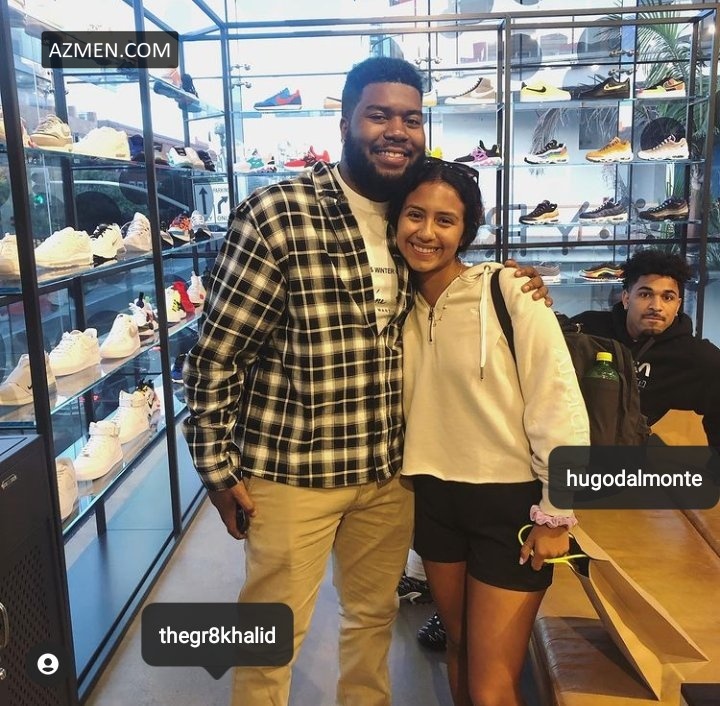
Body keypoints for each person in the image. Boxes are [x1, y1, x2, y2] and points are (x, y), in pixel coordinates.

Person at [183, 56, 548, 706]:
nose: (397, 131)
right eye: (380, 115)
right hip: (292, 473)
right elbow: (217, 354)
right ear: (347, 121)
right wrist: (216, 467)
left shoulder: (408, 216)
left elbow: (450, 279)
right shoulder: (278, 213)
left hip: (388, 475)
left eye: (411, 118)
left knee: (372, 623)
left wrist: (510, 279)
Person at [390, 158, 590, 706]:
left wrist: (557, 512)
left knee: (492, 681)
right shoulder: (395, 304)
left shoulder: (508, 290)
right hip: (433, 498)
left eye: (445, 220)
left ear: (466, 231)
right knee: (457, 648)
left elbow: (558, 401)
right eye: (415, 214)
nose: (426, 232)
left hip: (512, 505)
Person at [570, 249, 720, 448]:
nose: (656, 306)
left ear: (678, 306)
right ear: (626, 298)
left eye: (667, 297)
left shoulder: (695, 358)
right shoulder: (587, 329)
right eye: (645, 294)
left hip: (637, 459)